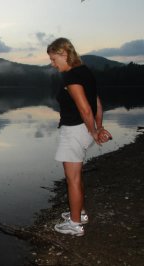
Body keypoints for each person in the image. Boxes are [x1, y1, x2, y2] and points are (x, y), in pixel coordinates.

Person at [47, 37, 112, 236]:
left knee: (72, 178)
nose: (52, 63)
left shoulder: (71, 76)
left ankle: (75, 225)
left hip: (74, 131)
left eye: (53, 58)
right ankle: (80, 213)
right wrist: (97, 127)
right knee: (76, 175)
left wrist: (94, 130)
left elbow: (85, 108)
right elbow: (97, 103)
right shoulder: (85, 72)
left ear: (63, 54)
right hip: (83, 130)